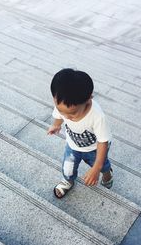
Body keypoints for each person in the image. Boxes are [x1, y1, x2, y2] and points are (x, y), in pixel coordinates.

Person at [47, 68, 113, 199]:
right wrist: (56, 124)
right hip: (72, 146)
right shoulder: (63, 104)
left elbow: (103, 142)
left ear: (89, 99)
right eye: (62, 111)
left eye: (72, 113)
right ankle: (68, 180)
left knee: (101, 166)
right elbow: (59, 115)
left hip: (95, 149)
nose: (66, 116)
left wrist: (96, 168)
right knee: (68, 167)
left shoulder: (97, 116)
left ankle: (107, 175)